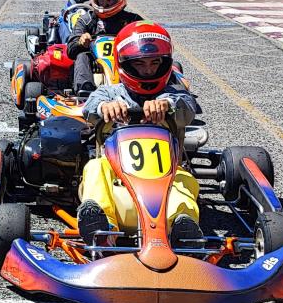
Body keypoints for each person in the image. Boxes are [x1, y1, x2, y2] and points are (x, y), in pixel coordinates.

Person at [76, 21, 201, 248]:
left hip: (165, 181)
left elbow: (187, 107)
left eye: (155, 63)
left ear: (165, 63)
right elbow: (89, 107)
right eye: (140, 63)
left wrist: (166, 105)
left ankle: (182, 229)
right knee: (94, 168)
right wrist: (105, 107)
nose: (148, 70)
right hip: (117, 181)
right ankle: (102, 228)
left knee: (184, 179)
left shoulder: (173, 93)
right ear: (124, 64)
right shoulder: (110, 92)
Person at [65, 0, 143, 93]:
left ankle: (140, 88)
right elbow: (70, 50)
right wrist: (81, 42)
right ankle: (85, 91)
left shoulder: (133, 21)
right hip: (95, 66)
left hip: (125, 64)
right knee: (81, 56)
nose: (104, 4)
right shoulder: (86, 20)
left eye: (109, 0)